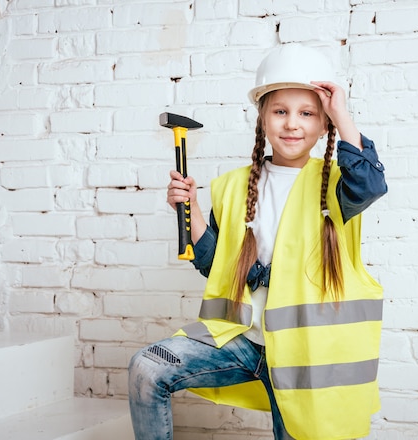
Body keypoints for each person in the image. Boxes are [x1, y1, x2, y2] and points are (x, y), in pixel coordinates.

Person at [129, 43, 388, 440]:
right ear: (263, 118)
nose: (292, 124)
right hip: (240, 341)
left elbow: (371, 183)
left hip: (306, 357)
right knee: (148, 368)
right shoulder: (233, 186)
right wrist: (191, 208)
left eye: (307, 114)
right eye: (280, 111)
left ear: (323, 126)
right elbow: (215, 264)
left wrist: (342, 113)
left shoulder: (337, 184)